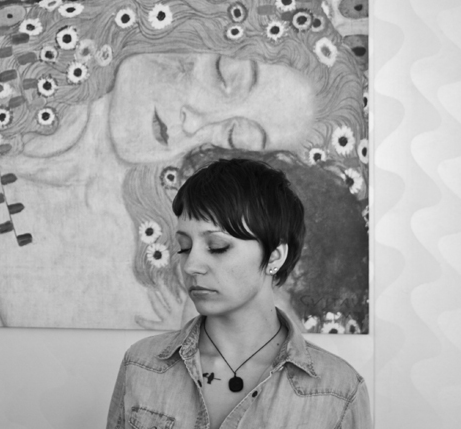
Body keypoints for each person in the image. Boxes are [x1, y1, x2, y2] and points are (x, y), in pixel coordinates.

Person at [0, 0, 368, 330]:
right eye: (224, 76)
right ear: (186, 20)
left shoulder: (171, 287)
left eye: (235, 138)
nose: (198, 122)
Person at [106, 158, 372, 428]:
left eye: (217, 246)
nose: (190, 265)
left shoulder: (338, 392)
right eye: (184, 247)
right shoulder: (141, 364)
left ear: (274, 256)